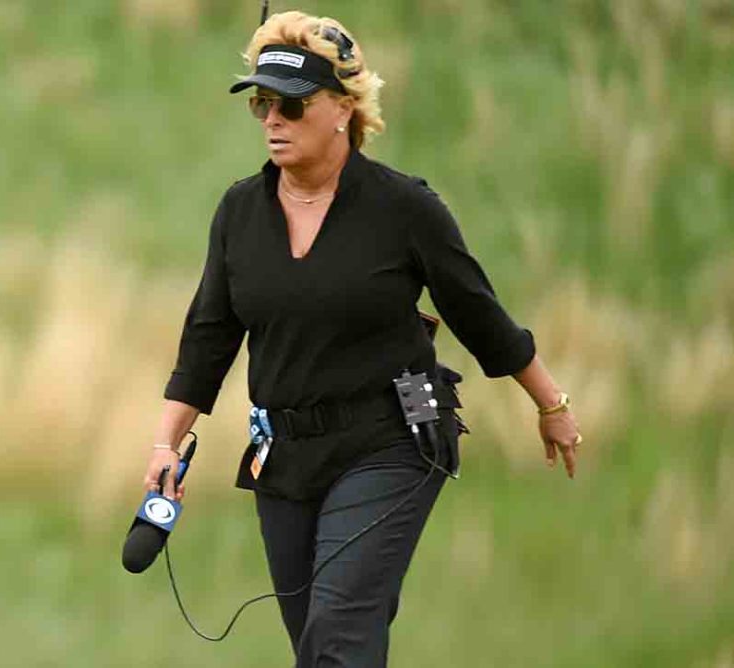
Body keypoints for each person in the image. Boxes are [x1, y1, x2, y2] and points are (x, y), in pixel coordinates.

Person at [141, 10, 583, 667]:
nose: (272, 120)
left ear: (344, 109)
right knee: (322, 647)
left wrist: (551, 405)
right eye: (262, 103)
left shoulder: (404, 209)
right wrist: (164, 444)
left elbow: (476, 312)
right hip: (283, 454)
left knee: (339, 643)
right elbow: (209, 339)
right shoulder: (240, 213)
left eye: (291, 105)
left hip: (393, 438)